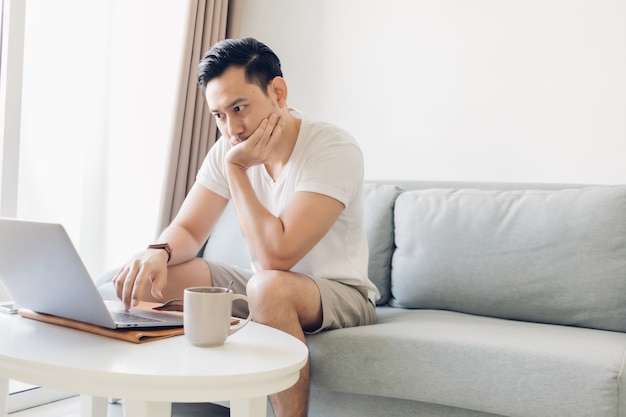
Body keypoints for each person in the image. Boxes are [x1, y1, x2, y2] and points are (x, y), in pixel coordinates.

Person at [112, 37, 379, 417]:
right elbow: (189, 231)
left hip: (339, 293)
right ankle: (152, 406)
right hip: (264, 286)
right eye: (219, 115)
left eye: (239, 108)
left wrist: (236, 170)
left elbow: (277, 256)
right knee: (151, 280)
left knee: (268, 286)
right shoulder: (229, 146)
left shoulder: (332, 148)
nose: (232, 129)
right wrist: (157, 253)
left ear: (278, 92)